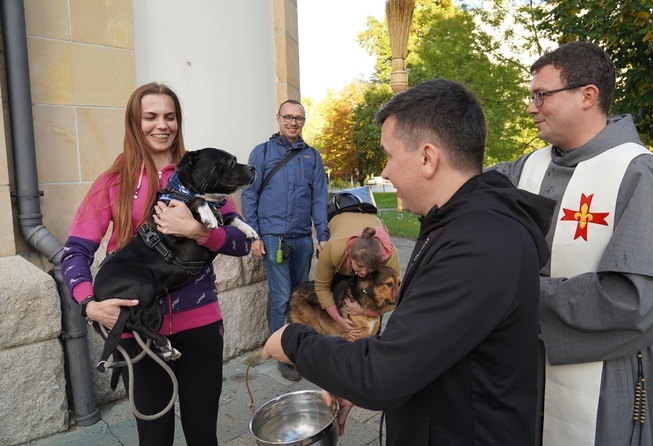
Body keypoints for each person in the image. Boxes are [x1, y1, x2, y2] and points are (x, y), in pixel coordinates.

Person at [262, 78, 556, 445]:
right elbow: (428, 343)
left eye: (388, 155)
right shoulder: (457, 224)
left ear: (427, 158)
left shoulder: (480, 244)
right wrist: (352, 381)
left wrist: (294, 340)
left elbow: (384, 375)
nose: (384, 172)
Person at [490, 41, 653, 446]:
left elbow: (635, 301)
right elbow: (467, 189)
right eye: (531, 95)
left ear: (588, 95)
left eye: (541, 95)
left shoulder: (640, 175)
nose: (531, 106)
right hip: (525, 366)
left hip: (603, 374)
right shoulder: (527, 167)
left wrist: (516, 294)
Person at [61, 82, 252, 446]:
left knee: (202, 435)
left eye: (170, 116)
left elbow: (243, 243)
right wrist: (89, 303)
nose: (161, 125)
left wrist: (200, 232)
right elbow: (74, 253)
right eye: (150, 116)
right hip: (140, 333)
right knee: (154, 437)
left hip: (201, 325)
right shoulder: (112, 183)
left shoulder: (203, 177)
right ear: (135, 122)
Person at [241, 99, 329, 381]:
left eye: (299, 119)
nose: (293, 123)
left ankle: (297, 345)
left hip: (303, 238)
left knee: (299, 296)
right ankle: (284, 353)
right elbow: (249, 194)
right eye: (288, 117)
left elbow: (319, 198)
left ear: (303, 122)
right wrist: (253, 235)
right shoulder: (262, 152)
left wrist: (322, 235)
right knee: (281, 297)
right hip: (273, 237)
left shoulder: (312, 156)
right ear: (278, 118)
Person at [314, 213, 400, 339]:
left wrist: (367, 311)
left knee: (378, 296)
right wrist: (339, 319)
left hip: (369, 220)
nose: (364, 272)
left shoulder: (390, 256)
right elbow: (321, 287)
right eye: (359, 266)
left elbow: (394, 298)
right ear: (349, 255)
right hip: (340, 226)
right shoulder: (333, 249)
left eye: (370, 268)